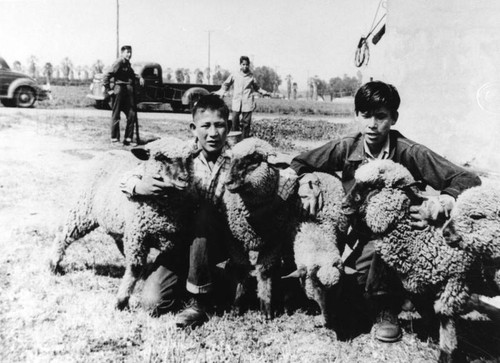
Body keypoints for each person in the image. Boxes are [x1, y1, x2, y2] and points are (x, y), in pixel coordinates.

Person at [289, 81, 481, 342]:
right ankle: (400, 295)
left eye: (380, 116)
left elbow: (465, 179)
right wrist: (308, 184)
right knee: (341, 290)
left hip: (401, 237)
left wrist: (438, 204)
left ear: (393, 118)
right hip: (362, 235)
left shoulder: (409, 152)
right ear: (357, 116)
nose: (372, 124)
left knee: (373, 282)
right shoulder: (346, 147)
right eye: (366, 115)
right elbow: (300, 162)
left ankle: (387, 308)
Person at [120, 94, 234, 327]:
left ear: (229, 127)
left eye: (220, 125)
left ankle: (198, 302)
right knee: (152, 304)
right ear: (193, 128)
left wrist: (306, 182)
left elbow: (275, 177)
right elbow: (133, 173)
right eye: (206, 126)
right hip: (179, 243)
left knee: (203, 212)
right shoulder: (179, 154)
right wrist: (139, 185)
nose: (213, 133)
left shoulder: (237, 160)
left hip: (220, 240)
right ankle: (208, 280)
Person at [216, 56, 270, 138]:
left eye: (247, 65)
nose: (245, 66)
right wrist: (222, 92)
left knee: (246, 124)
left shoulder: (251, 76)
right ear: (240, 65)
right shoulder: (235, 75)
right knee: (234, 122)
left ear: (249, 65)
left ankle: (245, 141)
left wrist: (264, 92)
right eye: (243, 64)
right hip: (236, 103)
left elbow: (257, 88)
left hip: (247, 103)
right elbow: (226, 84)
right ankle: (234, 141)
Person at [103, 45, 144, 146]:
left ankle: (128, 140)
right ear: (122, 53)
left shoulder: (127, 64)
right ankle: (114, 140)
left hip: (127, 92)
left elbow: (131, 74)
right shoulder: (119, 62)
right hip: (119, 90)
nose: (129, 54)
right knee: (116, 115)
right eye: (127, 52)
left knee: (131, 114)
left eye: (130, 52)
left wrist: (140, 77)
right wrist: (109, 90)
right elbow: (106, 75)